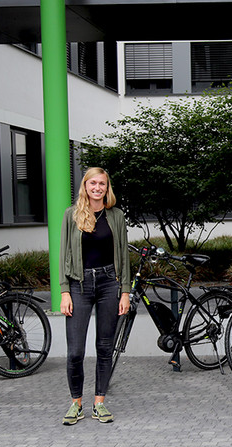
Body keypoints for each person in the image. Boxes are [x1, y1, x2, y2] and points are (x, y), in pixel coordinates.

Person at [59, 167, 131, 425]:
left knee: (104, 348)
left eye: (102, 184)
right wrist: (64, 291)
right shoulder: (71, 215)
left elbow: (123, 255)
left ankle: (99, 403)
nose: (97, 188)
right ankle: (76, 403)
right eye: (93, 183)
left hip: (109, 284)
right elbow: (63, 255)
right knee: (75, 351)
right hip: (79, 286)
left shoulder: (116, 216)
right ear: (85, 186)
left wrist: (125, 292)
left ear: (106, 187)